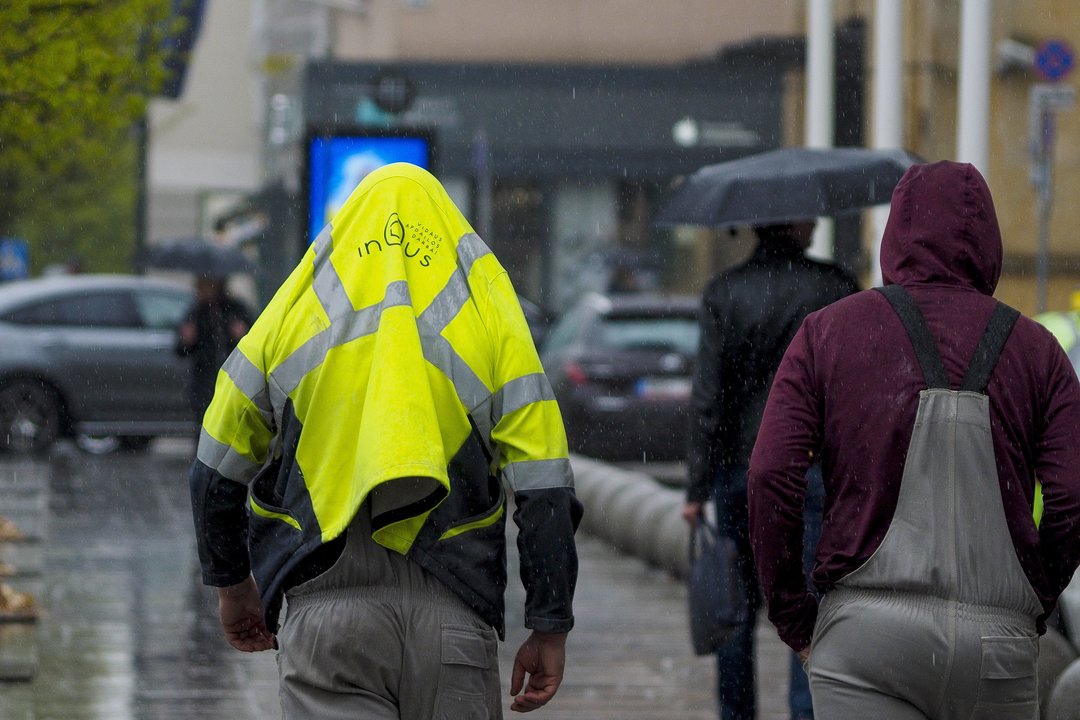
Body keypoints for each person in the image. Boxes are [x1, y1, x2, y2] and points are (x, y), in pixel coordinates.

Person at [188, 163, 582, 718]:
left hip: (326, 621)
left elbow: (213, 470)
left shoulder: (295, 308)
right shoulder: (489, 309)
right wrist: (549, 624)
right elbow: (545, 487)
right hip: (453, 612)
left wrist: (233, 586)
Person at [748, 160, 1080, 719]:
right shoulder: (1038, 350)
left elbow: (771, 473)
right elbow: (1072, 495)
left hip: (864, 638)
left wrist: (793, 616)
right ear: (989, 242)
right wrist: (1034, 598)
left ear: (895, 233)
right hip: (996, 645)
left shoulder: (829, 332)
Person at [682, 221, 859, 720]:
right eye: (808, 216)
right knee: (813, 600)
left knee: (735, 604)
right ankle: (807, 712)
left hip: (739, 470)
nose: (817, 222)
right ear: (793, 223)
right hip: (811, 470)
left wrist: (696, 487)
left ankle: (737, 713)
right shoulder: (835, 288)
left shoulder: (725, 291)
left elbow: (706, 397)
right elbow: (852, 386)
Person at [174, 275, 252, 423]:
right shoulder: (196, 312)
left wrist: (243, 335)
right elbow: (180, 350)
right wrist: (186, 342)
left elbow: (252, 341)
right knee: (204, 423)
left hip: (233, 378)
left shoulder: (235, 309)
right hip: (204, 383)